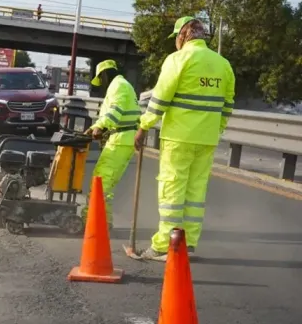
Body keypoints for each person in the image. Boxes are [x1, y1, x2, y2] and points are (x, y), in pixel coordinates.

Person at [135, 16, 235, 261]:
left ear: (183, 35)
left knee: (172, 190)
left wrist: (144, 126)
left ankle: (164, 246)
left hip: (179, 137)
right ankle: (188, 245)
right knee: (196, 193)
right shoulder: (223, 64)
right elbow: (227, 104)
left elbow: (160, 98)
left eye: (176, 38)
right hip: (207, 139)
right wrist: (216, 129)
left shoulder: (178, 59)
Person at [82, 59, 139, 227]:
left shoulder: (118, 86)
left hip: (121, 139)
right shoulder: (122, 85)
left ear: (105, 74)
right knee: (105, 182)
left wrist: (100, 126)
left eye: (100, 79)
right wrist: (93, 128)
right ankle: (103, 221)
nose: (101, 84)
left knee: (101, 181)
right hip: (121, 138)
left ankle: (92, 221)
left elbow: (115, 111)